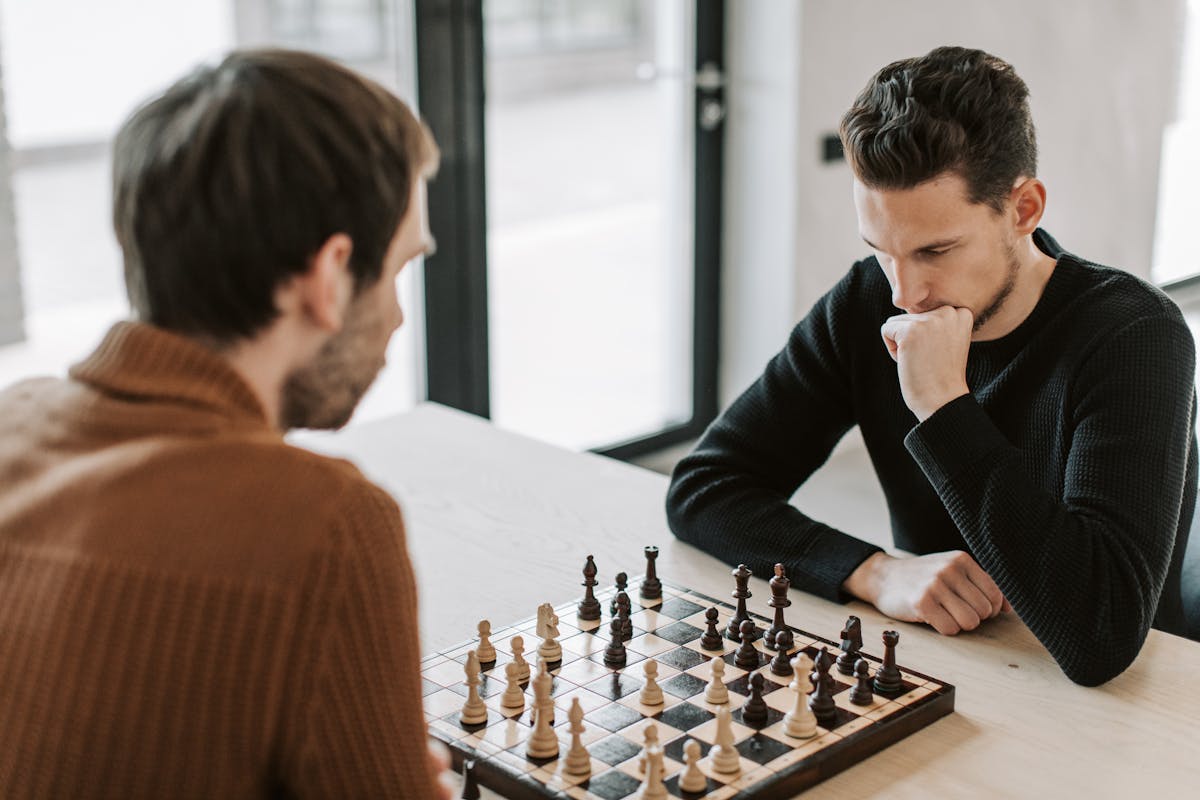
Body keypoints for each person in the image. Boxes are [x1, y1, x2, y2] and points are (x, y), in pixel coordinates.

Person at [0, 50, 457, 797]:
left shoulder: (12, 420)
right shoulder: (328, 527)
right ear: (329, 275)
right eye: (400, 269)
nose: (401, 315)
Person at [666, 46, 1198, 687]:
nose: (905, 294)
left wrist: (945, 406)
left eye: (936, 250)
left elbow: (1100, 637)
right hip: (944, 668)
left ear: (1023, 209)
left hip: (1120, 703)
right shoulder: (867, 301)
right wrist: (873, 571)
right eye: (883, 251)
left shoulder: (1133, 334)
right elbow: (705, 488)